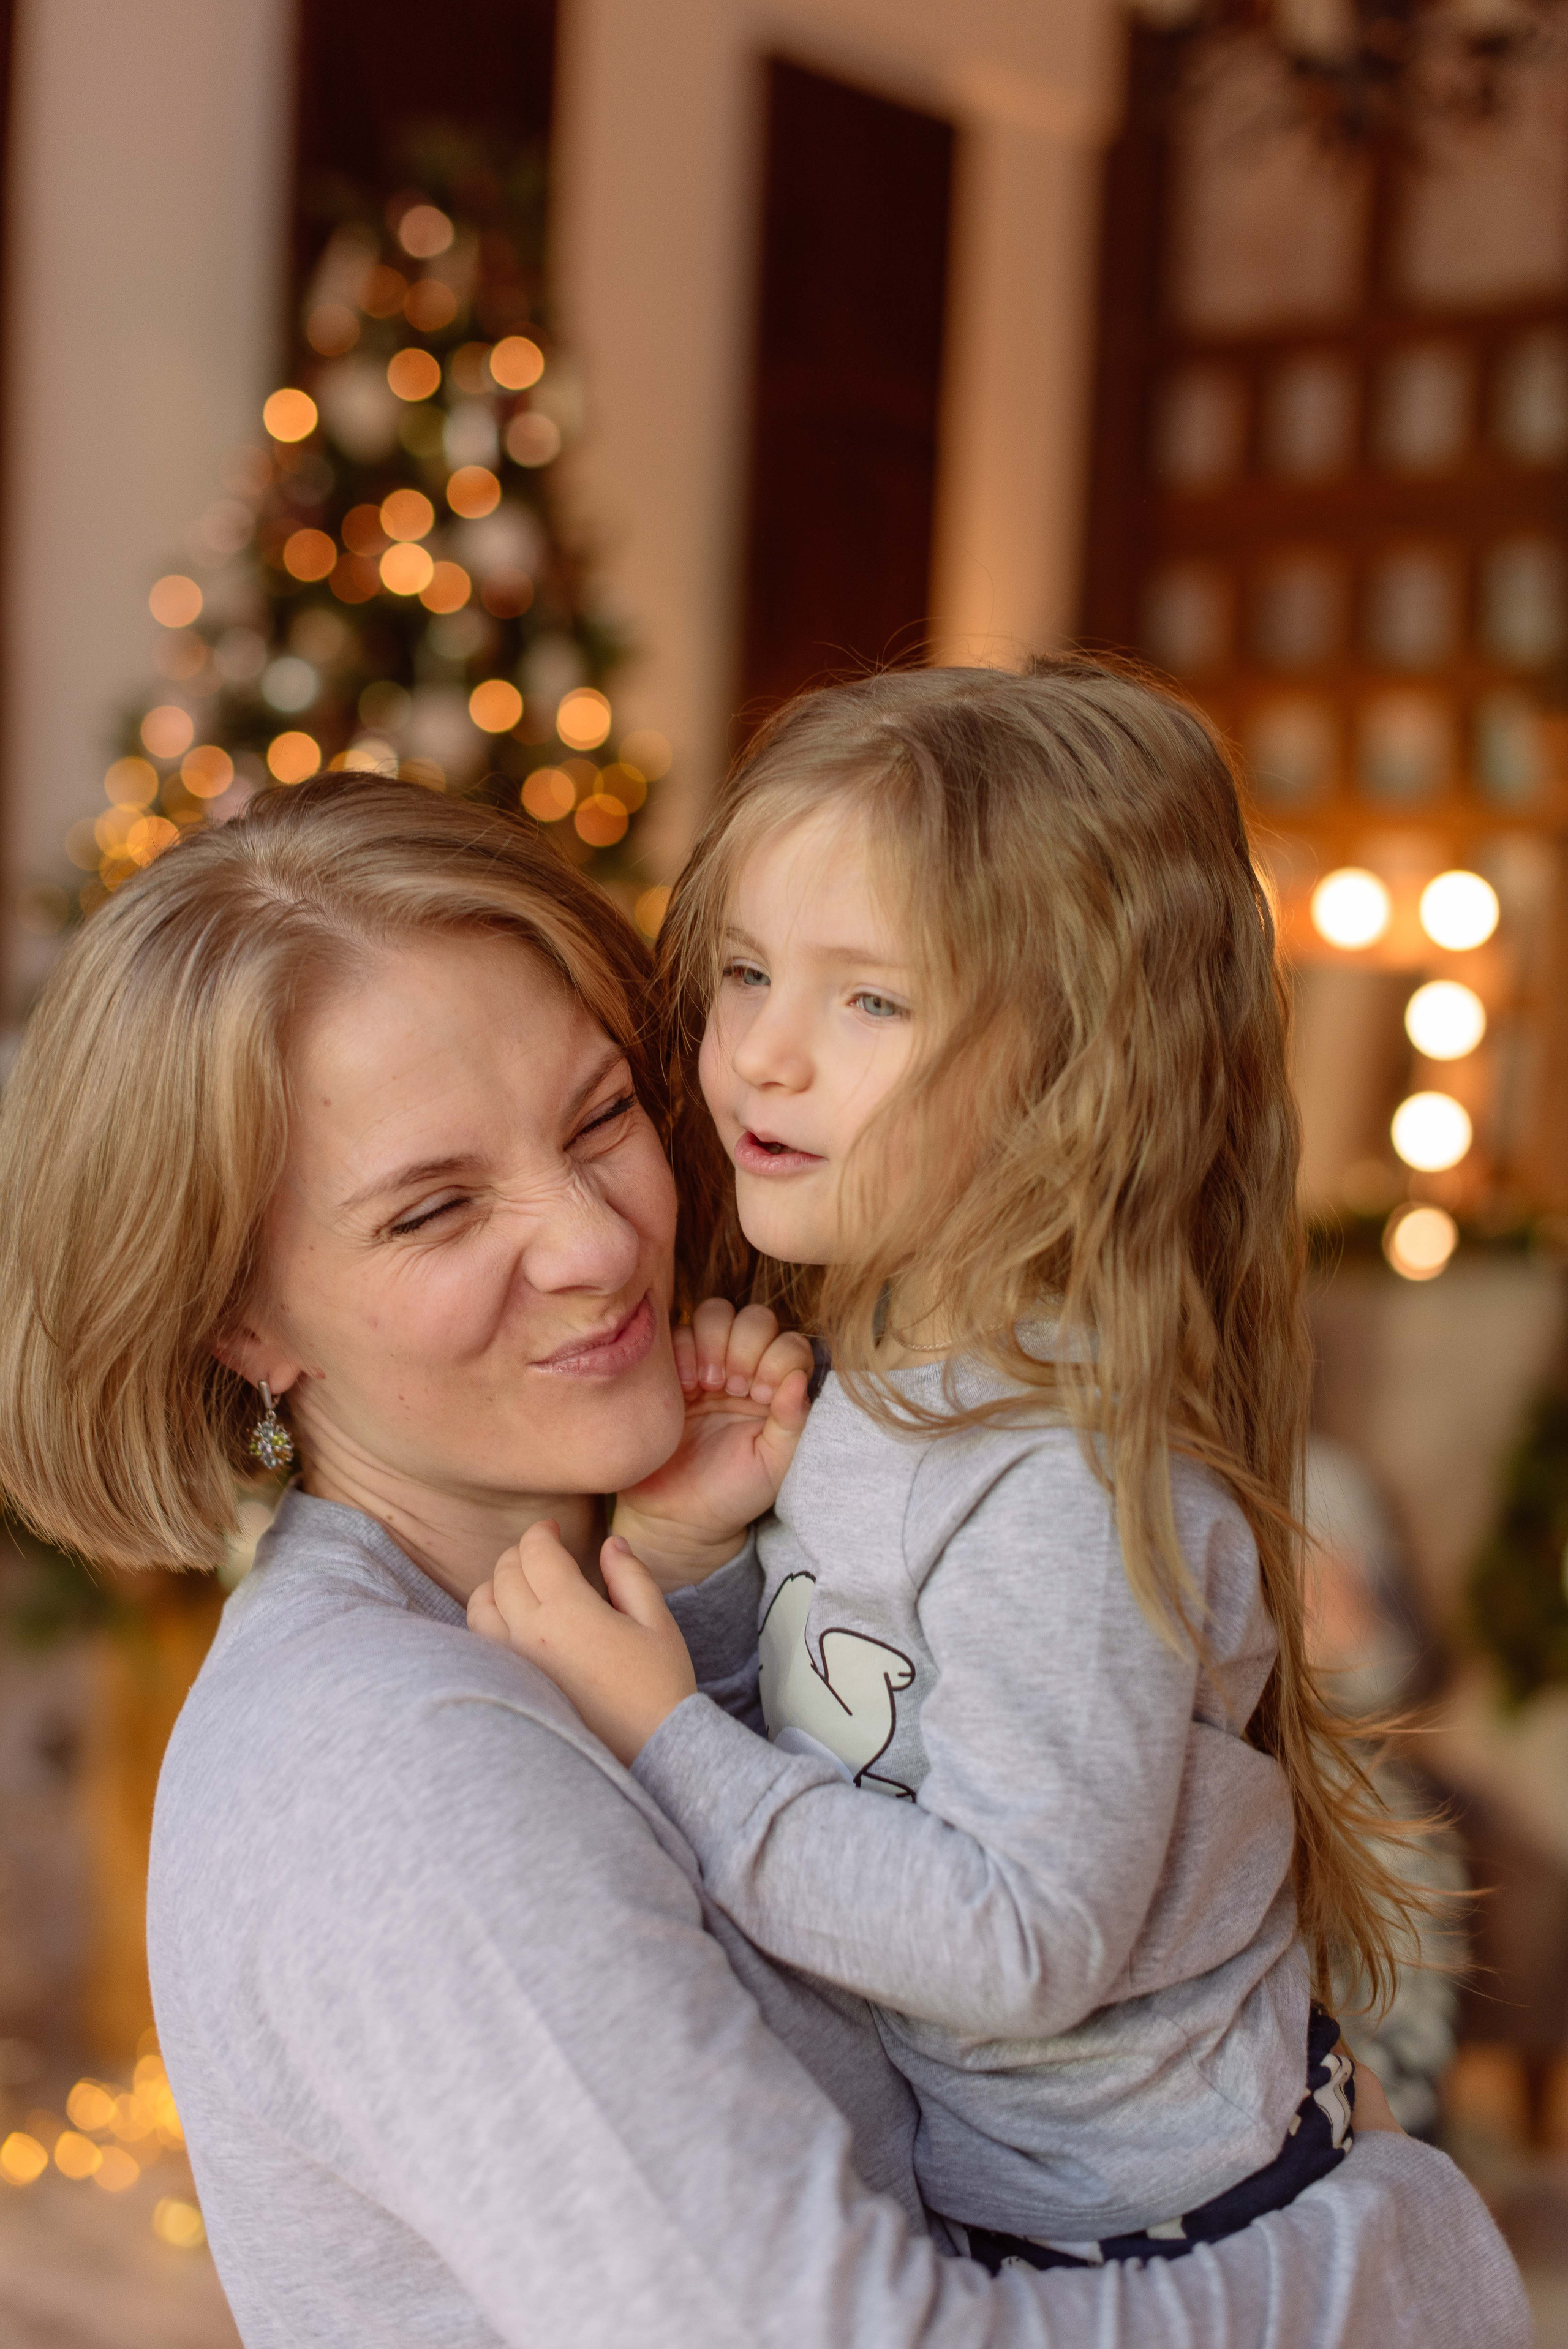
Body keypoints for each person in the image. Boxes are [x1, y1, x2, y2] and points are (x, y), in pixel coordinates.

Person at [0, 779, 1526, 2348]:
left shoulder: (636, 1588)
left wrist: (685, 1567)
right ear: (241, 1323)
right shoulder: (396, 1769)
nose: (597, 1241)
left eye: (600, 1118)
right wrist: (1393, 2251)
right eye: (436, 1209)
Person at [468, 662, 1428, 2268]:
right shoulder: (881, 1381)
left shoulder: (1055, 1482)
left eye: (870, 999)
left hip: (1160, 2232)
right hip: (1007, 2195)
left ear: (1068, 1075)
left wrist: (652, 1729)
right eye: (751, 970)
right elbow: (853, 1731)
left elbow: (1024, 1939)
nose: (762, 1054)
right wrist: (701, 1561)